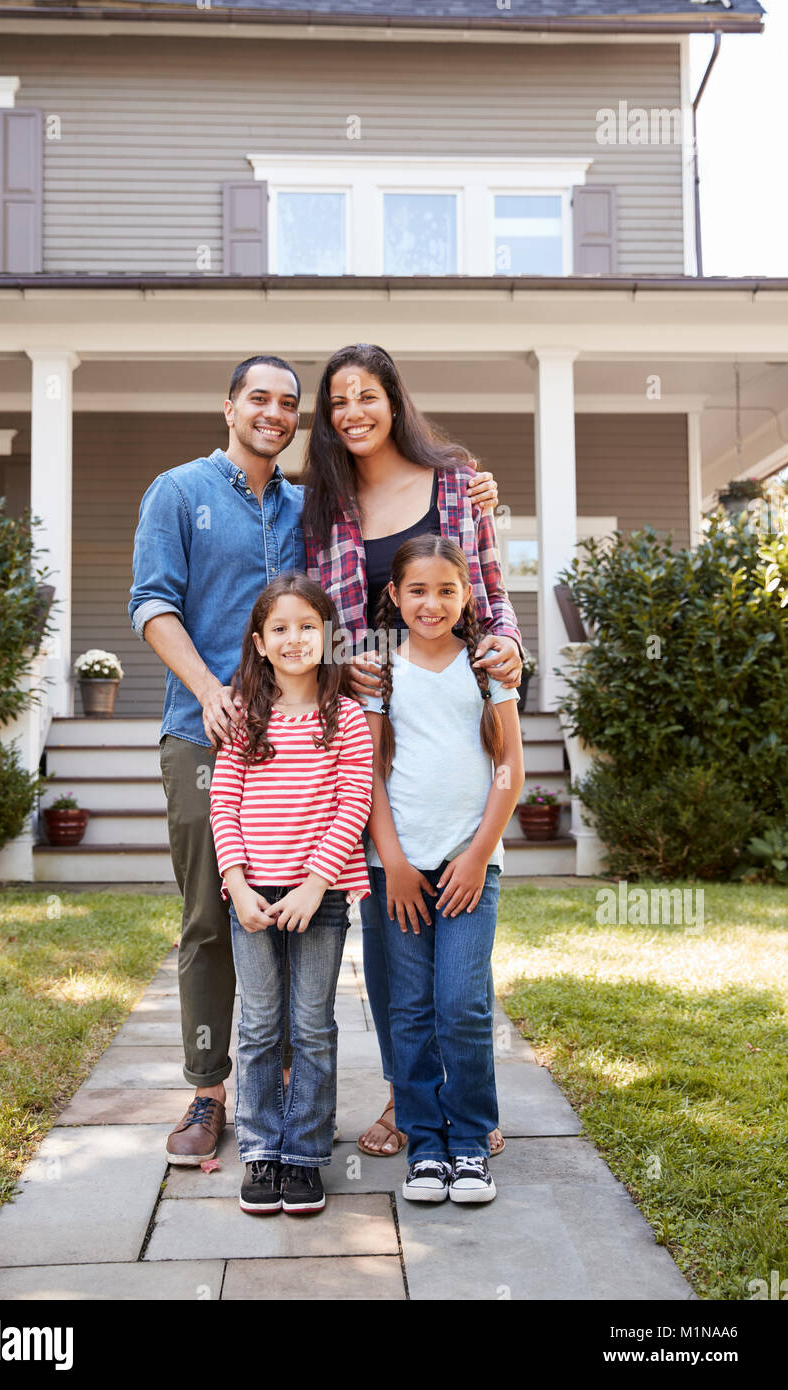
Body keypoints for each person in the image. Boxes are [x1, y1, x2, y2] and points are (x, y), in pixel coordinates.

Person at [128, 353, 501, 1164]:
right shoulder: (179, 492)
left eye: (287, 402)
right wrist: (212, 690)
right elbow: (151, 602)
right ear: (228, 405)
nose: (273, 410)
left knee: (312, 900)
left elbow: (376, 591)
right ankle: (210, 1091)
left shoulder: (314, 501)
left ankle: (296, 1083)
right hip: (209, 730)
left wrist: (476, 491)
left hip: (313, 738)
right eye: (257, 397)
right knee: (213, 912)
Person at [301, 343, 524, 1159]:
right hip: (372, 733)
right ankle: (407, 1098)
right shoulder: (323, 505)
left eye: (367, 395)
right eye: (337, 402)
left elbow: (493, 596)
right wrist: (338, 660)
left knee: (459, 972)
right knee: (392, 939)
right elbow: (317, 622)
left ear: (393, 399)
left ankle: (468, 1107)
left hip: (455, 726)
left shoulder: (459, 480)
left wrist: (508, 652)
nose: (353, 413)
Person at [362, 535, 525, 1204]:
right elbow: (367, 776)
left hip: (468, 869)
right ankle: (426, 1145)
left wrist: (479, 853)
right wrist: (394, 861)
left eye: (447, 590)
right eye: (418, 591)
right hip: (395, 872)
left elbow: (510, 769)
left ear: (466, 598)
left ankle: (469, 1140)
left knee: (462, 1003)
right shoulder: (379, 673)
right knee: (408, 1010)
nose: (432, 603)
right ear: (394, 596)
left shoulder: (488, 670)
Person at [210, 574, 373, 1216]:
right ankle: (260, 1151)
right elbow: (224, 802)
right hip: (251, 893)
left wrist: (315, 884)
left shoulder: (347, 718)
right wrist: (236, 884)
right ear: (260, 642)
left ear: (327, 635)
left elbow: (352, 803)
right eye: (280, 628)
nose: (295, 638)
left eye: (307, 626)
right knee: (257, 1026)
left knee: (310, 1025)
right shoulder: (245, 717)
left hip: (319, 896)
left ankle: (303, 1156)